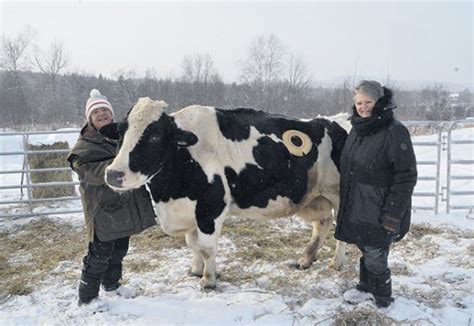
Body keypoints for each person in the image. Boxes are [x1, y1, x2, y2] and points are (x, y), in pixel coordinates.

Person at [67, 89, 157, 305]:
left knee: (119, 250)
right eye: (96, 112)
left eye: (105, 110)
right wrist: (121, 165)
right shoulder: (83, 147)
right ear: (90, 118)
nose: (102, 114)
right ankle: (87, 299)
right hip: (103, 210)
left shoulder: (120, 138)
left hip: (123, 207)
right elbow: (91, 172)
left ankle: (112, 286)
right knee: (98, 255)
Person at [335, 80, 417, 308]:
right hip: (358, 203)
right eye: (359, 102)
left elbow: (406, 176)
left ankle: (381, 296)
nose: (362, 107)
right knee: (365, 245)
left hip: (380, 206)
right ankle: (366, 286)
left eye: (368, 102)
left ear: (379, 102)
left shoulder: (394, 131)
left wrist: (393, 214)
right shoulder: (358, 129)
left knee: (375, 250)